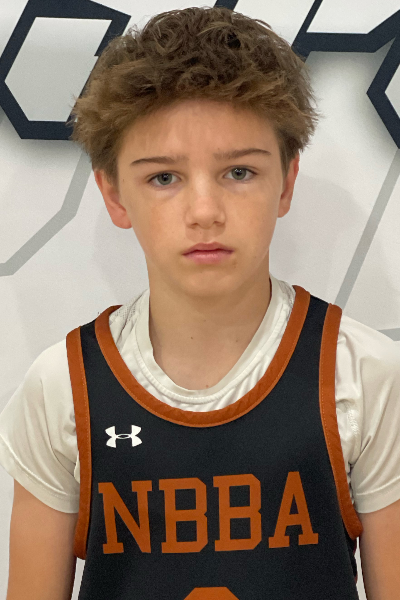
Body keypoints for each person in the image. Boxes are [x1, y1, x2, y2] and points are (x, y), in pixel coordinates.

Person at [0, 6, 399, 600]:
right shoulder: (63, 387)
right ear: (114, 193)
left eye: (239, 172)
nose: (205, 211)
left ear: (287, 182)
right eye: (164, 178)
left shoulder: (363, 377)